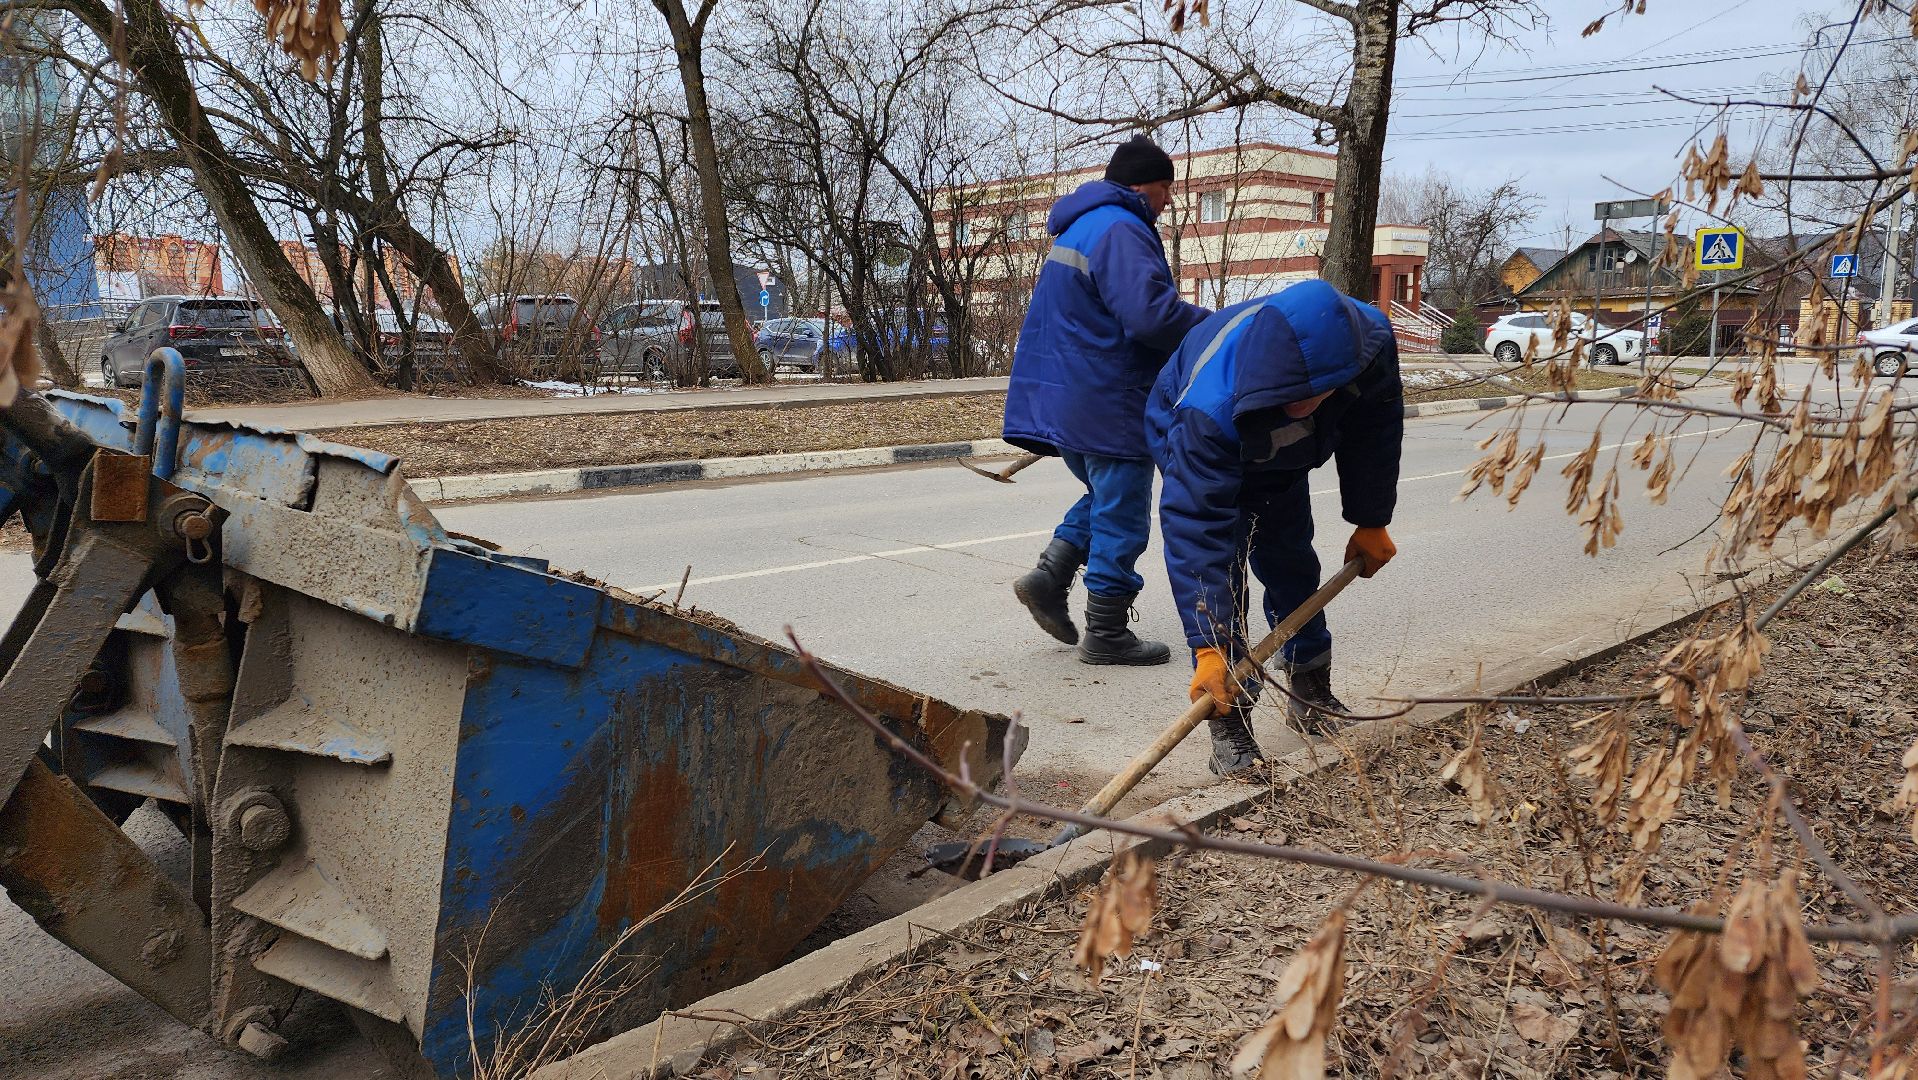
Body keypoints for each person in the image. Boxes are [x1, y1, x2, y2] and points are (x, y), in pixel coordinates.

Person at [1145, 279, 1403, 776]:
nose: (1296, 404)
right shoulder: (1206, 413)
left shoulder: (1368, 346)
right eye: (1287, 396)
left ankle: (1309, 688)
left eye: (1306, 396)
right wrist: (1207, 645)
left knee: (1290, 558)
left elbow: (1376, 429)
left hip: (1278, 455)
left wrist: (1372, 518)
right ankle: (1230, 720)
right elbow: (1196, 531)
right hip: (1201, 426)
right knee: (1227, 568)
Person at [1004, 134, 1210, 665]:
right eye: (1167, 189)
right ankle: (1108, 632)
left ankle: (1050, 577)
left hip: (1069, 393)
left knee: (1105, 496)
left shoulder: (1084, 223)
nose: (1169, 202)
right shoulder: (1123, 227)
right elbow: (1151, 316)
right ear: (1146, 185)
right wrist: (1215, 327)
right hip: (1108, 395)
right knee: (1124, 511)